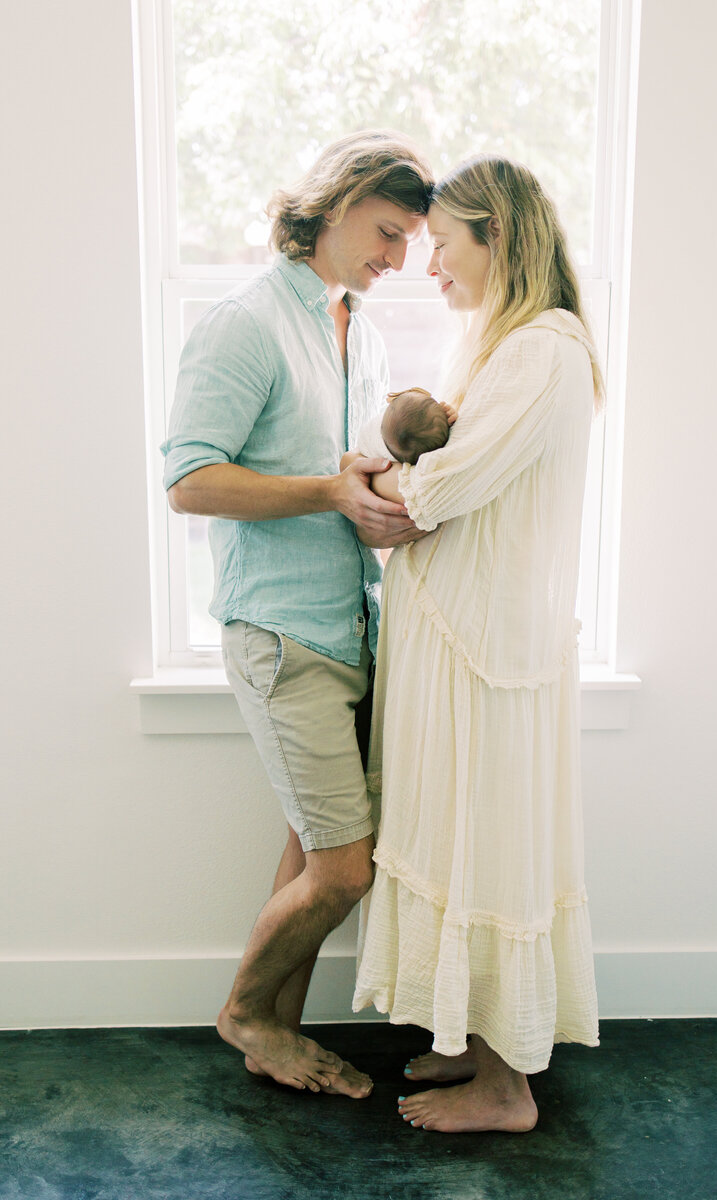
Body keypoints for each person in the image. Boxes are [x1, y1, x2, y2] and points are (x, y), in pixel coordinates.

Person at [161, 130, 434, 1097]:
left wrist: (376, 494)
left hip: (352, 627)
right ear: (341, 199)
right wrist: (330, 492)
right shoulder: (246, 323)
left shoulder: (358, 325)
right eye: (389, 232)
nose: (399, 259)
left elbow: (335, 473)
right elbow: (191, 483)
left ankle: (275, 1029)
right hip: (283, 636)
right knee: (346, 871)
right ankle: (244, 1012)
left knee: (313, 848)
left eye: (411, 242)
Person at [352, 154, 605, 1132]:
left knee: (490, 845)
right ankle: (464, 1038)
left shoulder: (540, 349)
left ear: (494, 233)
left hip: (489, 660)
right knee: (457, 840)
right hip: (462, 649)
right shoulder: (507, 349)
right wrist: (390, 477)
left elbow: (442, 491)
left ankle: (506, 1087)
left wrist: (372, 484)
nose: (428, 268)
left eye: (443, 245)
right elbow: (440, 473)